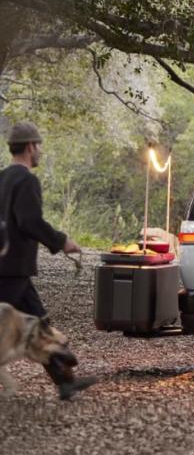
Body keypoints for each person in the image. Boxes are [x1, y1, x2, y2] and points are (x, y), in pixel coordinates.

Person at [0, 122, 96, 400]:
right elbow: (29, 221)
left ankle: (64, 380)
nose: (39, 150)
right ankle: (63, 376)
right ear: (30, 146)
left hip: (11, 268)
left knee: (40, 322)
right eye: (38, 146)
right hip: (12, 268)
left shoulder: (3, 178)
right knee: (30, 325)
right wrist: (61, 241)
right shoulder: (26, 180)